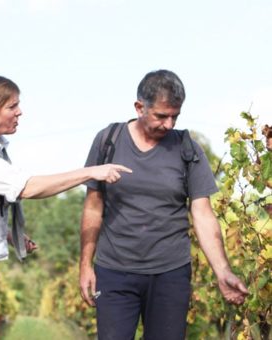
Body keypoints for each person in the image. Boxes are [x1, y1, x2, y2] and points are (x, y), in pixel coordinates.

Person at [0, 72, 131, 340]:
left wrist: (8, 235)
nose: (20, 112)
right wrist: (90, 172)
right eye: (12, 106)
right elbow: (27, 188)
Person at [78, 69, 249, 340]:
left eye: (175, 116)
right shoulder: (108, 141)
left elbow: (203, 214)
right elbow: (93, 207)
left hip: (170, 274)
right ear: (139, 107)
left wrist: (222, 271)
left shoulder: (186, 148)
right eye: (161, 116)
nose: (169, 124)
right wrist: (86, 265)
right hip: (114, 272)